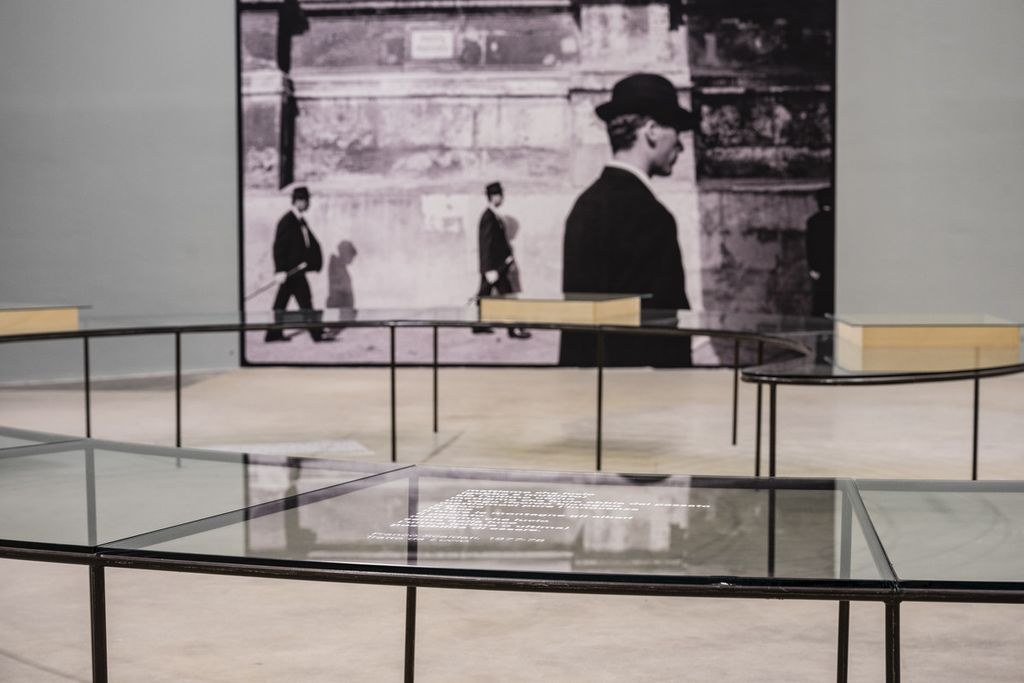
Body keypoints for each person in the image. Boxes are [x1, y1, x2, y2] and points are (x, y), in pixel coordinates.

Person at [560, 72, 693, 367]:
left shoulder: (584, 206)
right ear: (652, 131)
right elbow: (665, 326)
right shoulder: (652, 217)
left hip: (588, 383)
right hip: (640, 386)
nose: (681, 146)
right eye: (676, 130)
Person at [264, 185, 330, 343]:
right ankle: (316, 334)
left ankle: (273, 334)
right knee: (304, 301)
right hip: (291, 271)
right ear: (298, 201)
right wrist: (280, 270)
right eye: (307, 201)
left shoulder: (299, 220)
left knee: (282, 302)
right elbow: (278, 247)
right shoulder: (287, 221)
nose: (308, 204)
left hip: (296, 270)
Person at [475, 181, 531, 339]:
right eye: (501, 195)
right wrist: (489, 269)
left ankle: (479, 326)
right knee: (508, 296)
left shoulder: (493, 215)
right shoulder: (489, 217)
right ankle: (514, 330)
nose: (502, 198)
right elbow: (485, 244)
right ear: (494, 197)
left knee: (484, 294)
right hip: (495, 267)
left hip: (496, 266)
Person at [805, 187, 835, 317]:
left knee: (820, 297)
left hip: (820, 265)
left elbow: (810, 246)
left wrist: (812, 267)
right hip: (834, 264)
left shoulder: (813, 221)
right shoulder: (838, 220)